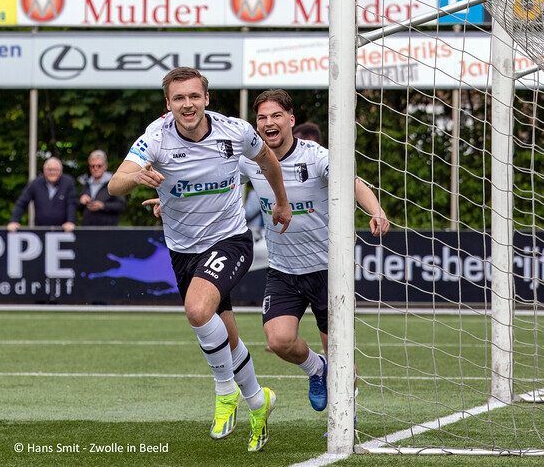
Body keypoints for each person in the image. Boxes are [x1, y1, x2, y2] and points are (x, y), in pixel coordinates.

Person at [108, 67, 291, 453]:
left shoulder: (235, 130)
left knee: (197, 309)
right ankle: (259, 402)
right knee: (227, 336)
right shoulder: (155, 137)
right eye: (179, 98)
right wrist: (138, 177)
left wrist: (281, 202)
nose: (187, 104)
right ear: (168, 104)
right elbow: (114, 183)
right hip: (183, 248)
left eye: (194, 96)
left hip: (229, 240)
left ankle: (225, 392)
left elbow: (269, 162)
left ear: (206, 98)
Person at [244, 90, 388, 413]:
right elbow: (220, 177)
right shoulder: (251, 159)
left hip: (327, 270)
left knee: (342, 357)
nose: (269, 123)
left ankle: (343, 416)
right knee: (278, 340)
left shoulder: (316, 156)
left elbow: (353, 183)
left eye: (276, 116)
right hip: (283, 271)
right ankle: (316, 369)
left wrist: (375, 210)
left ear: (291, 121)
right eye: (263, 118)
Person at [7, 156, 77, 232]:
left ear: (61, 171)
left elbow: (71, 203)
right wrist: (14, 221)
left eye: (56, 170)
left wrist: (70, 221)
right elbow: (22, 202)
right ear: (44, 170)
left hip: (63, 230)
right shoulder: (36, 183)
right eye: (49, 170)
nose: (52, 172)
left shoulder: (68, 183)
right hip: (40, 230)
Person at [78, 150, 126, 226]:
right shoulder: (86, 183)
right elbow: (77, 206)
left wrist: (103, 206)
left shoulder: (114, 182)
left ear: (105, 166)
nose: (96, 168)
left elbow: (121, 206)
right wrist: (81, 201)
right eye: (92, 166)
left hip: (107, 229)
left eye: (99, 166)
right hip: (88, 228)